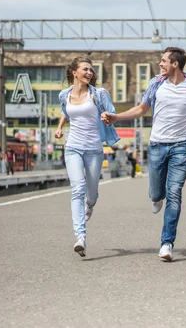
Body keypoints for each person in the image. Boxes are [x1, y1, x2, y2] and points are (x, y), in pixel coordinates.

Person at [102, 47, 186, 262]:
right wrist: (116, 117)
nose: (160, 64)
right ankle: (155, 197)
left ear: (175, 64)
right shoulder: (156, 83)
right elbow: (142, 109)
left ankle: (166, 243)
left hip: (181, 145)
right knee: (155, 193)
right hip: (157, 145)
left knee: (175, 193)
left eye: (163, 61)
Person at [56, 56, 120, 258]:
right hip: (73, 147)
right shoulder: (64, 95)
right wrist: (59, 128)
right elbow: (65, 112)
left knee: (90, 193)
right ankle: (80, 237)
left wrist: (106, 116)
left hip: (94, 149)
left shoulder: (98, 94)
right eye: (85, 69)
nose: (89, 73)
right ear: (74, 72)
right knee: (77, 188)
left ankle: (90, 205)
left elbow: (111, 112)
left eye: (91, 70)